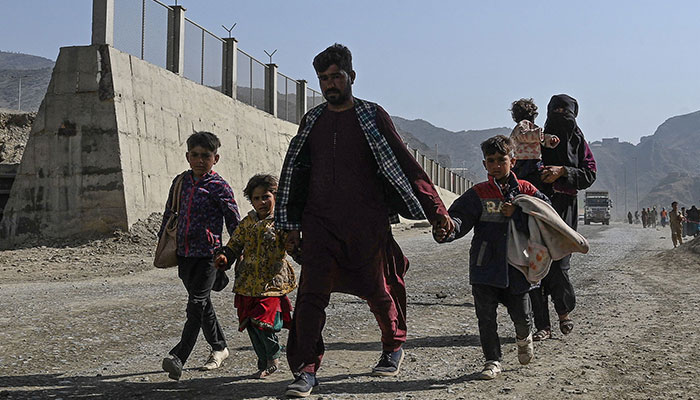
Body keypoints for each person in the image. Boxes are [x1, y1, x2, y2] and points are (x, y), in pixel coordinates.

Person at [276, 43, 454, 398]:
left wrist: (436, 210)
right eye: (323, 79)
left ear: (351, 77)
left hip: (366, 225)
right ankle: (307, 370)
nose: (330, 84)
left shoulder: (373, 116)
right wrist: (289, 224)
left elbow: (406, 164)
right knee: (310, 296)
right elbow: (294, 173)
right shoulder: (312, 121)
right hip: (320, 224)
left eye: (336, 77)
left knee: (378, 291)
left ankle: (392, 344)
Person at [434, 135, 550, 380]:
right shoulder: (478, 193)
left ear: (513, 161)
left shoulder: (527, 190)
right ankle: (492, 361)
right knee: (486, 318)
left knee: (521, 316)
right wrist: (447, 229)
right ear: (484, 164)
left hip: (518, 267)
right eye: (491, 161)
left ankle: (523, 337)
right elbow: (459, 219)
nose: (497, 165)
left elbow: (546, 217)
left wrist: (517, 212)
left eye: (501, 159)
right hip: (484, 266)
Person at [160, 131, 240, 381]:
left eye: (206, 156)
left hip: (209, 257)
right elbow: (169, 212)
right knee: (202, 304)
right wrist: (164, 239)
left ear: (215, 158)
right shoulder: (180, 182)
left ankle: (179, 357)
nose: (199, 160)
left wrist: (234, 252)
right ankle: (219, 348)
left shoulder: (219, 187)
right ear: (187, 156)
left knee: (195, 303)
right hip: (184, 254)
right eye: (195, 155)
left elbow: (234, 222)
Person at [214, 174, 297, 379]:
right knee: (250, 323)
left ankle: (273, 356)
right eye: (257, 198)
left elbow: (293, 245)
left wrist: (294, 247)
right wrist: (225, 257)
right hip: (247, 282)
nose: (261, 202)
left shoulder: (281, 222)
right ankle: (263, 361)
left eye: (266, 197)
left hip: (271, 283)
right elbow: (234, 245)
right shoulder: (247, 223)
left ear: (275, 197)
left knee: (264, 322)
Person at [528, 94, 596, 341]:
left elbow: (589, 173)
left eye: (564, 112)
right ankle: (542, 325)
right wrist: (540, 174)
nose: (560, 116)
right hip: (536, 206)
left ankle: (563, 313)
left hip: (565, 207)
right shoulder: (535, 138)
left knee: (560, 263)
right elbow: (520, 165)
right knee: (536, 264)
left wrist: (563, 171)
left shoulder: (578, 140)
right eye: (555, 112)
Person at [508, 98, 560, 187]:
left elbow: (541, 138)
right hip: (524, 161)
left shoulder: (531, 127)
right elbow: (524, 135)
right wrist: (538, 135)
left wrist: (550, 139)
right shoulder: (523, 125)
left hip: (533, 160)